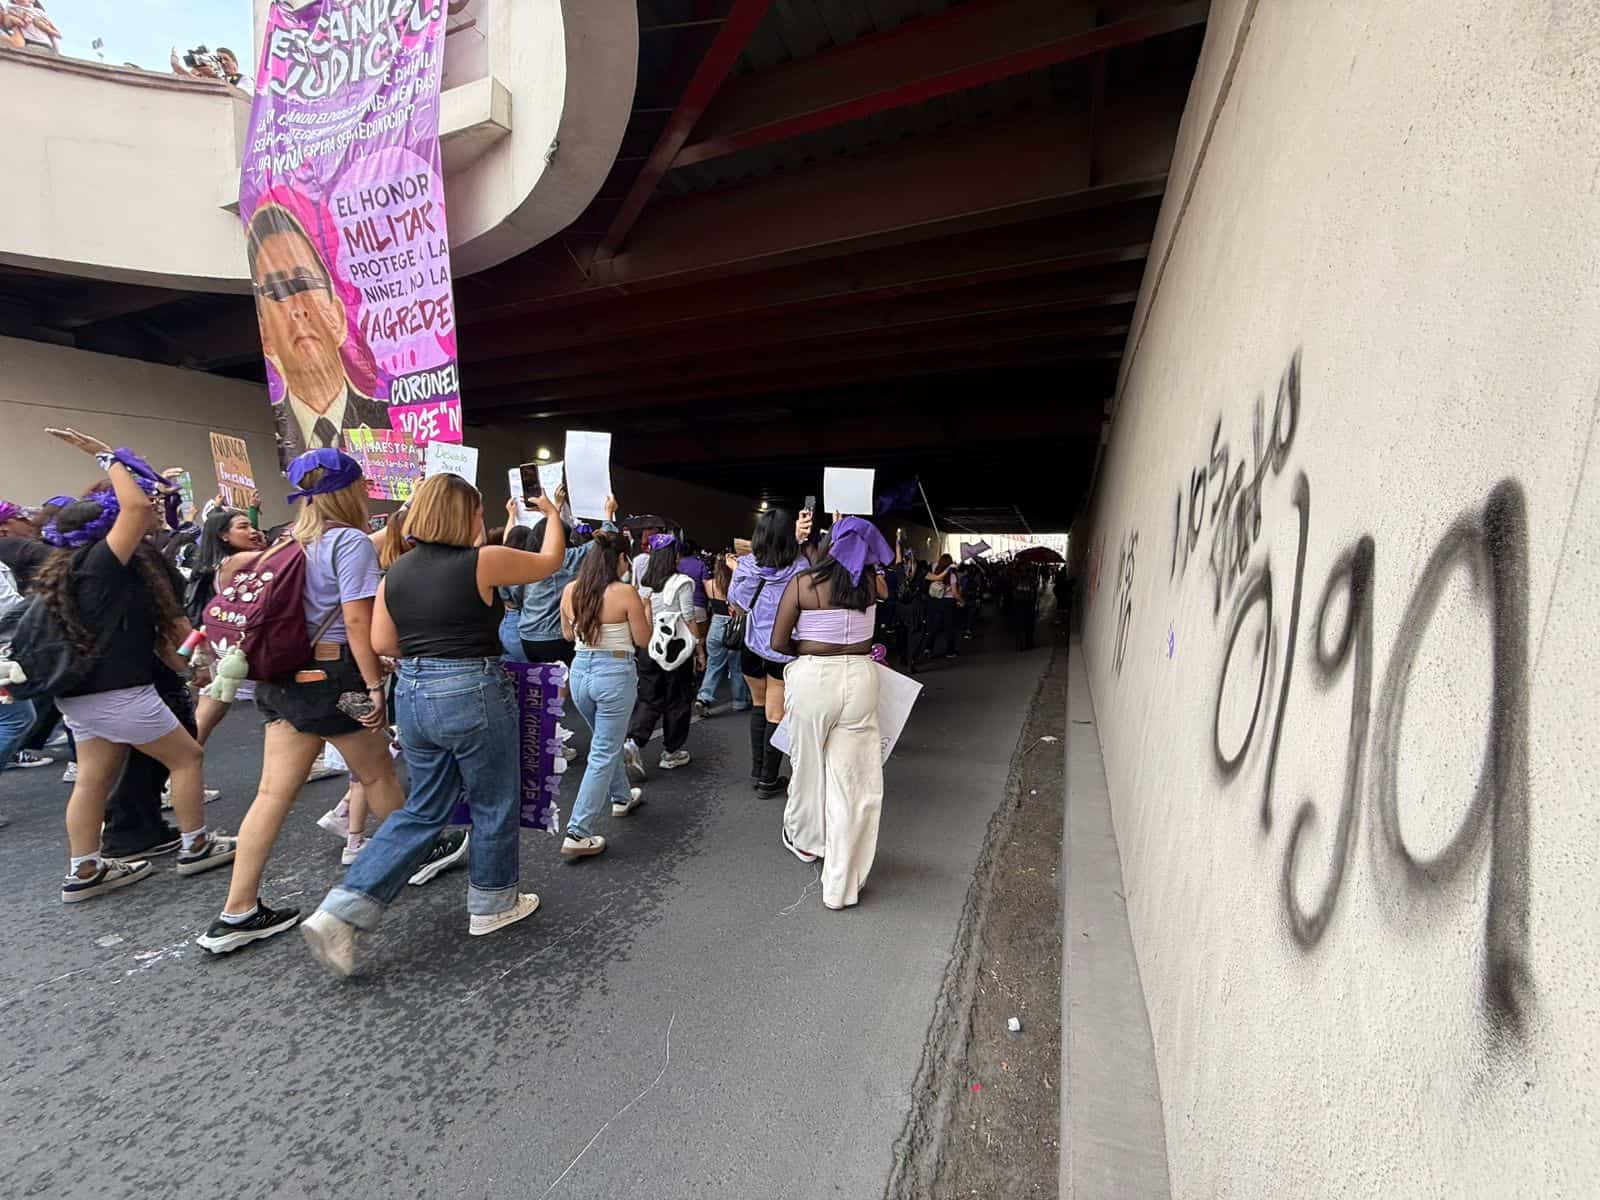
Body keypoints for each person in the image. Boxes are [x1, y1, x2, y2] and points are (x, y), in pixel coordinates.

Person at [298, 474, 567, 976]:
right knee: (493, 799)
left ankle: (342, 910)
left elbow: (384, 643)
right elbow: (551, 562)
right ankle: (491, 905)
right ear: (464, 515)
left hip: (415, 695)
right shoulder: (481, 562)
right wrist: (552, 515)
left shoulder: (394, 572)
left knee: (422, 808)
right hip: (473, 689)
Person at [198, 449, 411, 954]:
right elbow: (358, 624)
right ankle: (416, 851)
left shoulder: (284, 544)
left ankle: (237, 912)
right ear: (349, 490)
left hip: (279, 678)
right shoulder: (350, 541)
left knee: (271, 795)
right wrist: (374, 685)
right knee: (377, 774)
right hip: (331, 675)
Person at [31, 429, 234, 902]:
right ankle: (196, 843)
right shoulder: (102, 564)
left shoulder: (67, 569)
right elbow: (138, 509)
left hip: (81, 697)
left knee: (92, 780)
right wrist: (105, 455)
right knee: (187, 757)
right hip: (122, 692)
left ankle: (85, 869)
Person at [770, 517, 892, 909]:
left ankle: (806, 842)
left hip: (813, 680)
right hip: (861, 679)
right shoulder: (872, 586)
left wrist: (808, 651)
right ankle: (841, 887)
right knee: (854, 783)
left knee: (807, 766)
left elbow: (777, 641)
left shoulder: (805, 584)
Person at [246, 204, 390, 461]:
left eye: (306, 283)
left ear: (337, 316)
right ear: (264, 333)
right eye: (275, 291)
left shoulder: (388, 424)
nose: (297, 308)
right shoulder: (278, 441)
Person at [558, 531, 650, 861]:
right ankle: (577, 831)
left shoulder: (570, 591)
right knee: (602, 750)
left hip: (581, 670)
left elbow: (568, 633)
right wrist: (646, 610)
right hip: (614, 671)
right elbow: (642, 639)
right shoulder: (625, 592)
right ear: (620, 560)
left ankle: (622, 797)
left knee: (603, 742)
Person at [728, 507, 814, 798]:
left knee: (758, 705)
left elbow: (736, 601)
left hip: (751, 646)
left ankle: (757, 771)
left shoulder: (747, 565)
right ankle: (768, 779)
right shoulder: (800, 567)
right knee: (776, 712)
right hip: (782, 649)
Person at [188, 508, 266, 745]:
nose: (252, 531)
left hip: (230, 647)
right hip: (243, 648)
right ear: (223, 535)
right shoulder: (238, 560)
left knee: (211, 707)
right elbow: (287, 557)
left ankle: (180, 768)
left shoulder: (225, 562)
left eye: (252, 526)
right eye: (243, 527)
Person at [624, 534, 700, 773]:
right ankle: (671, 752)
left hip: (648, 646)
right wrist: (699, 649)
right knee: (677, 700)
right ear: (674, 556)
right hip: (675, 650)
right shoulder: (683, 582)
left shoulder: (644, 583)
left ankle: (634, 742)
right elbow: (689, 618)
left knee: (649, 698)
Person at [519, 495, 619, 665]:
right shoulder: (566, 559)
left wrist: (553, 511)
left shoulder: (523, 559)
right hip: (554, 637)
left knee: (542, 688)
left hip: (526, 636)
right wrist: (608, 514)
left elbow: (549, 536)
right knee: (563, 688)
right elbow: (603, 542)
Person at [694, 550, 751, 718]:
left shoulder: (710, 584)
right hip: (734, 625)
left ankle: (703, 697)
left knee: (714, 664)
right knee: (736, 666)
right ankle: (740, 701)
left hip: (716, 624)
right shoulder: (738, 583)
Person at [496, 521, 533, 661]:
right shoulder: (526, 569)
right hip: (521, 620)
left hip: (507, 621)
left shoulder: (500, 564)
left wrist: (511, 515)